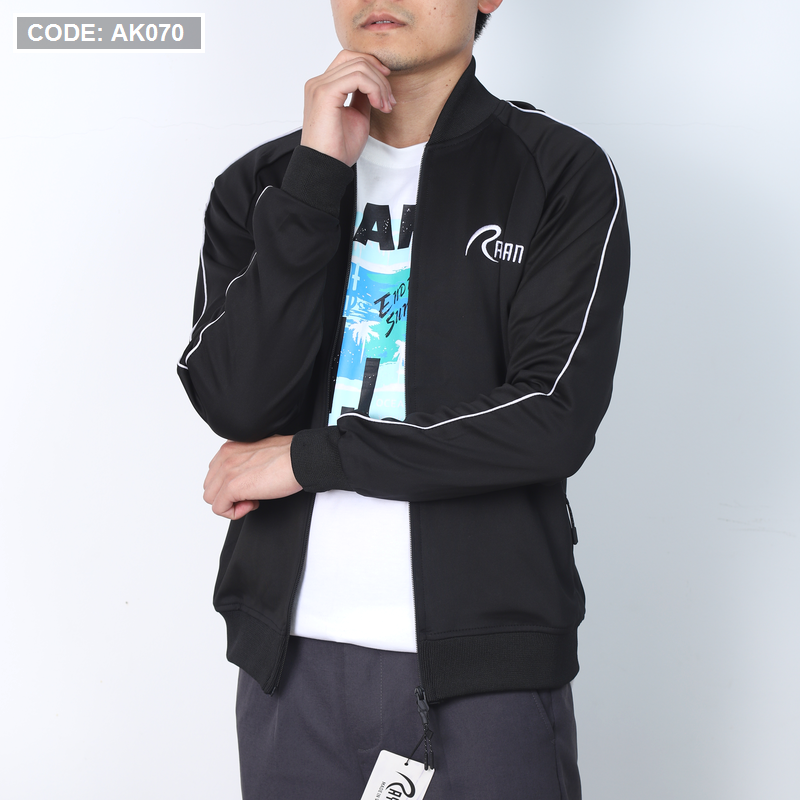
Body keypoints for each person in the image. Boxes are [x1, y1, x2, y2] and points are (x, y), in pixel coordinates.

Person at [178, 1, 629, 797]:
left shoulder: (556, 171)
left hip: (486, 667)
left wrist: (311, 458)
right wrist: (316, 179)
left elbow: (550, 418)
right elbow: (238, 403)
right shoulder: (265, 183)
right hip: (289, 666)